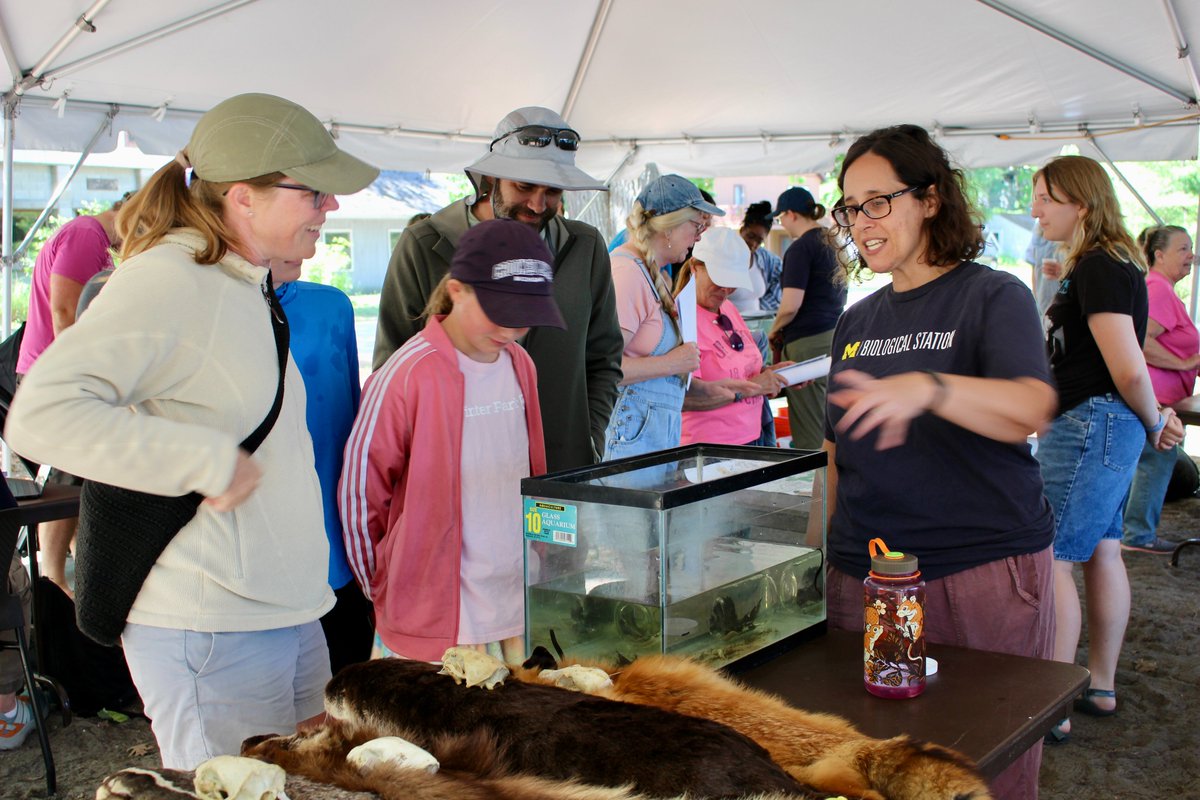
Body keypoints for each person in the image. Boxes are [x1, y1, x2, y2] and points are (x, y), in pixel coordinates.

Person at [5, 92, 379, 769]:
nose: (332, 207)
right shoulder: (171, 279)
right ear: (243, 197)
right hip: (212, 625)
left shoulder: (243, 283)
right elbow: (41, 413)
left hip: (282, 611)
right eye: (315, 192)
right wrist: (198, 458)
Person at [819, 125, 1057, 800]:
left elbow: (1032, 405)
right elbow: (836, 450)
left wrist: (930, 389)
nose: (860, 222)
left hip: (973, 571)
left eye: (877, 201)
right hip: (863, 575)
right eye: (849, 206)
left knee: (980, 760)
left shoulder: (990, 296)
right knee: (874, 762)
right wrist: (819, 555)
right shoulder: (856, 321)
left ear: (929, 198)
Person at [341, 219, 562, 664]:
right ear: (457, 289)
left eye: (526, 317)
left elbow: (532, 472)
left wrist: (539, 554)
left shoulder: (521, 364)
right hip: (430, 616)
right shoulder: (407, 373)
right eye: (500, 311)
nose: (513, 329)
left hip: (513, 602)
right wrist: (384, 586)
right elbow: (360, 493)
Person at [373, 106, 622, 473]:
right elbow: (390, 370)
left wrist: (590, 438)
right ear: (490, 178)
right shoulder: (425, 244)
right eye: (524, 187)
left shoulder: (585, 246)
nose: (537, 204)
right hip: (455, 475)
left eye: (552, 191)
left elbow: (603, 358)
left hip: (561, 472)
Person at [1031, 156, 1184, 746]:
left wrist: (1156, 421)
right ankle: (1098, 684)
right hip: (1104, 422)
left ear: (1082, 204)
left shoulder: (1099, 266)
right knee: (1102, 550)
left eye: (1046, 197)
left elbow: (1126, 365)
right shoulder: (1107, 264)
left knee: (1054, 557)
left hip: (1092, 421)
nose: (1037, 208)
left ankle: (1054, 700)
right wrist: (1149, 421)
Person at [15, 195, 129, 596]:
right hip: (57, 378)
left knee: (77, 482)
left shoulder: (94, 239)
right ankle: (53, 580)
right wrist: (82, 378)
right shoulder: (87, 234)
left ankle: (76, 579)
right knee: (64, 484)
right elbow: (65, 313)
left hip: (60, 376)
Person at [603, 175, 757, 460]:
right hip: (629, 438)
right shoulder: (627, 274)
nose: (699, 237)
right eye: (697, 226)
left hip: (650, 435)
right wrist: (673, 362)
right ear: (669, 228)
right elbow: (602, 369)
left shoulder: (651, 273)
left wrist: (706, 389)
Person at [274, 271, 374, 674]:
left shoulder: (331, 305)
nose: (324, 207)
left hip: (337, 547)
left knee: (349, 696)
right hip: (258, 562)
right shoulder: (207, 307)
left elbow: (352, 432)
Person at [676, 227, 790, 446]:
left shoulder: (727, 308)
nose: (726, 290)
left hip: (752, 437)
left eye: (732, 283)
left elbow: (741, 369)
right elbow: (686, 396)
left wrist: (773, 374)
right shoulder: (682, 318)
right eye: (720, 279)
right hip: (709, 448)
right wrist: (756, 386)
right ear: (695, 268)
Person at [1122, 225, 1197, 554]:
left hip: (1162, 397)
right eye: (1183, 249)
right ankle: (1138, 534)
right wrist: (1183, 364)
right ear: (1159, 254)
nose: (1191, 255)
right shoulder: (1159, 289)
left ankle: (1132, 531)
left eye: (1191, 248)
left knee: (1148, 460)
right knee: (1156, 460)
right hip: (1156, 398)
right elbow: (1140, 342)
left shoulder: (1162, 288)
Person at [767, 187, 846, 450]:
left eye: (781, 218)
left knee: (809, 424)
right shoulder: (832, 242)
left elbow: (791, 304)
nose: (782, 224)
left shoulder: (801, 247)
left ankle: (815, 488)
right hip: (834, 335)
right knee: (829, 419)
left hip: (807, 341)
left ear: (790, 214)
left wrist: (774, 330)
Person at [733, 200, 783, 312]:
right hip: (726, 327)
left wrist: (758, 313)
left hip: (757, 328)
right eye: (750, 236)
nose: (753, 244)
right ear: (742, 230)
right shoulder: (722, 257)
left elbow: (779, 294)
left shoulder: (770, 261)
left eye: (759, 241)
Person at [1026, 222, 1063, 316]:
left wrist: (1066, 272)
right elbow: (1034, 267)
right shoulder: (1039, 227)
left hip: (1065, 308)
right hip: (1043, 304)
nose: (1034, 213)